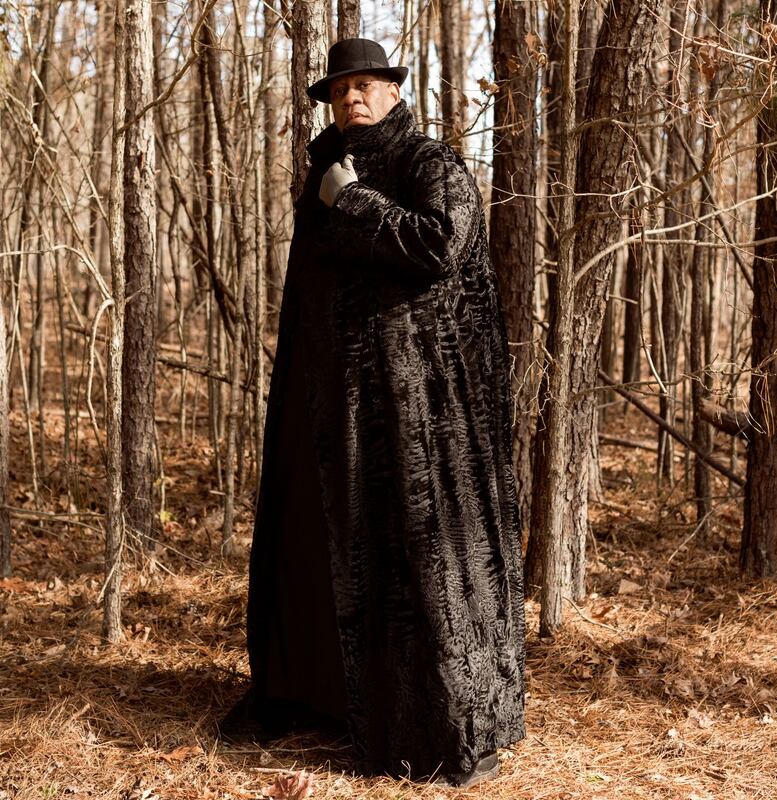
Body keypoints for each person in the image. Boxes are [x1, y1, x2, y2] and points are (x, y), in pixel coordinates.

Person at [221, 38, 526, 788]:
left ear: (393, 91)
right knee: (319, 543)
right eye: (340, 89)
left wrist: (355, 201)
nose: (352, 97)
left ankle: (432, 718)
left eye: (365, 85)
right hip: (332, 404)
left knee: (413, 556)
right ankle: (317, 697)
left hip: (418, 415)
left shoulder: (429, 162)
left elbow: (440, 245)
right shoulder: (323, 173)